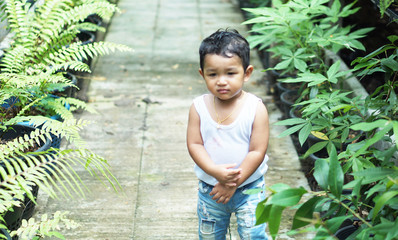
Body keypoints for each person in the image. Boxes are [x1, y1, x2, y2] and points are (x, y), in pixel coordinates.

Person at [186, 29, 270, 239]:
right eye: (213, 74)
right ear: (202, 74)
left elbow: (257, 151)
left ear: (247, 73)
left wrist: (232, 182)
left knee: (253, 234)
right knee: (210, 235)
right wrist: (214, 171)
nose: (221, 81)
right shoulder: (198, 107)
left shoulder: (255, 108)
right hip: (211, 188)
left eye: (230, 73)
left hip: (249, 188)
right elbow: (195, 144)